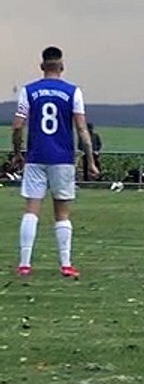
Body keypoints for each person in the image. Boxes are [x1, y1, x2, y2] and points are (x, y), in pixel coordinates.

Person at [11, 46, 98, 278]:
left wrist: (17, 152)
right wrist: (90, 160)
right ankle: (66, 264)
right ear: (62, 66)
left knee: (31, 210)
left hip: (36, 156)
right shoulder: (73, 92)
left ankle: (25, 263)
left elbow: (18, 125)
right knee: (62, 213)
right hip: (63, 158)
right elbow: (81, 129)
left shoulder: (28, 91)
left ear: (42, 66)